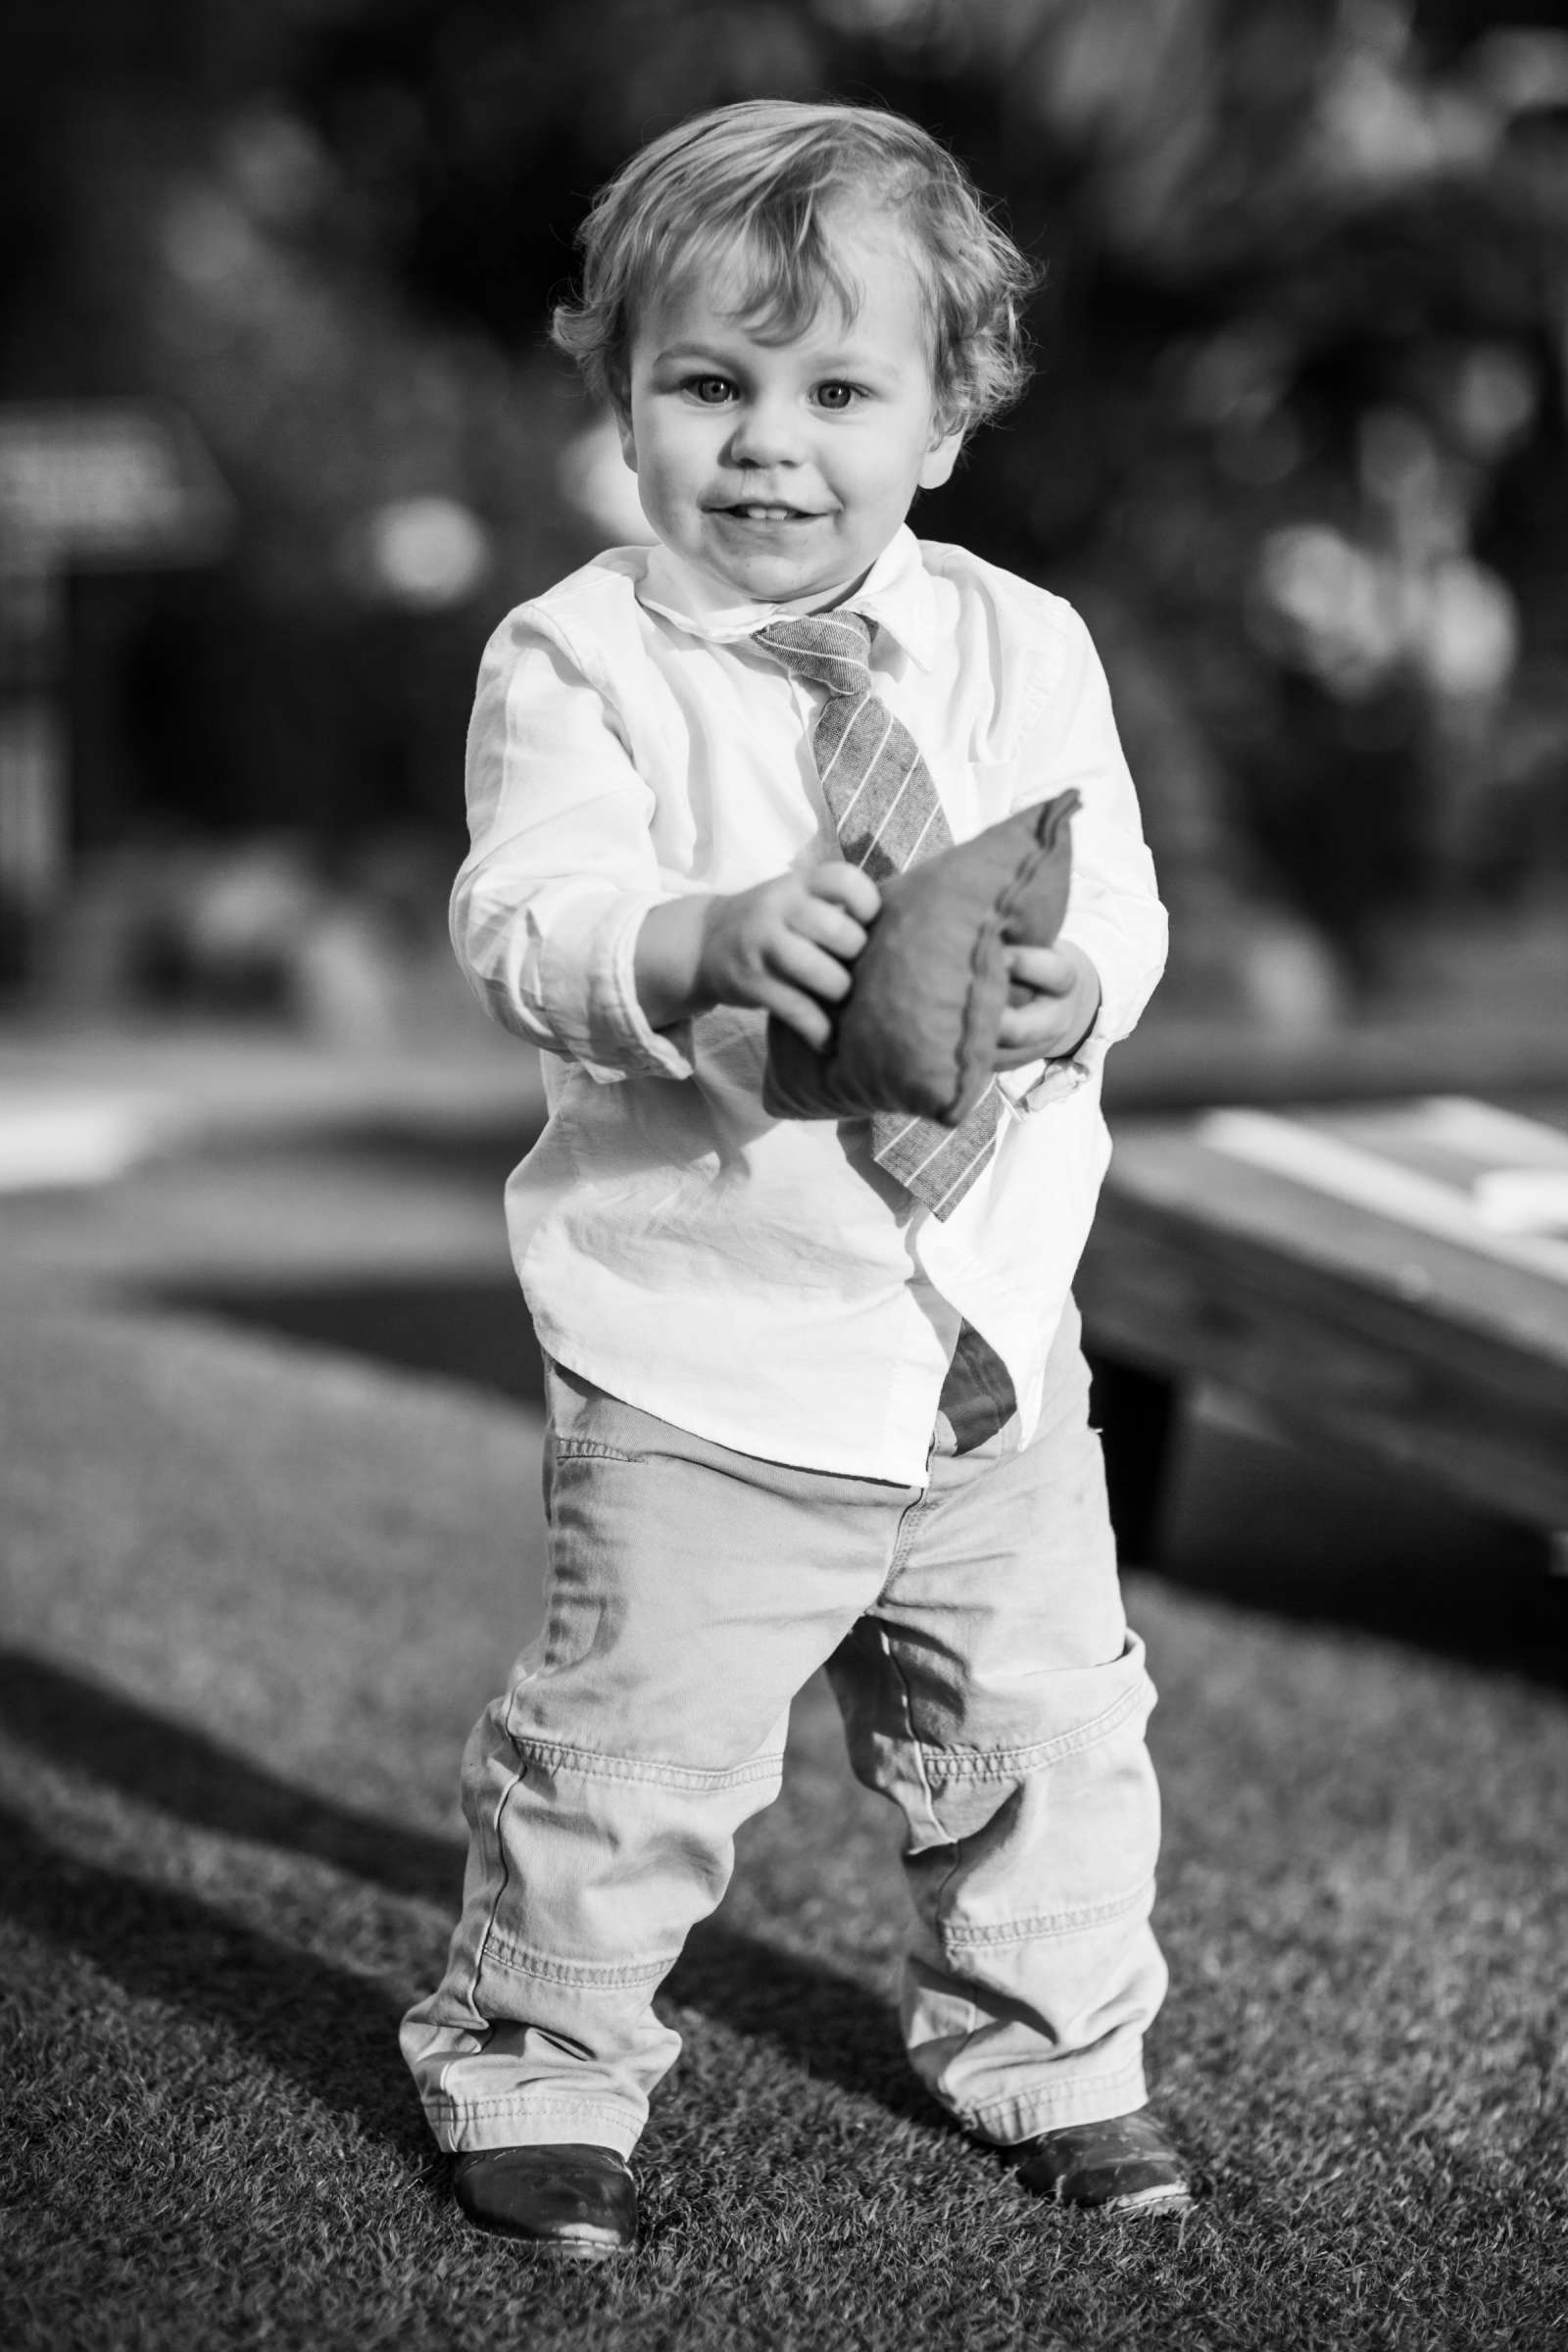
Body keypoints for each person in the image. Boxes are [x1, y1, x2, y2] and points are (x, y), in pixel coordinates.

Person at [402, 97, 1183, 2257]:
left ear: (945, 420)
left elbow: (1113, 889)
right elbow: (526, 916)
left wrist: (1073, 989)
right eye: (706, 385)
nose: (768, 444)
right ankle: (542, 2063)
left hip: (986, 1333)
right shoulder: (580, 659)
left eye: (837, 389)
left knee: (1038, 1735)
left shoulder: (1025, 647)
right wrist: (696, 940)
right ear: (617, 394)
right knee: (630, 1757)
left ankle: (1056, 2055)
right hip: (708, 1343)